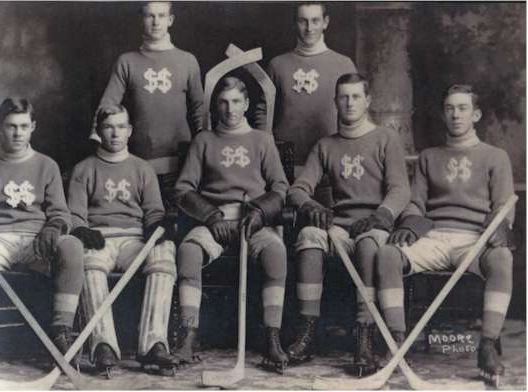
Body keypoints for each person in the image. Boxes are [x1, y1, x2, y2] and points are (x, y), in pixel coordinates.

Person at [375, 84, 515, 386]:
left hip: (474, 239)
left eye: (463, 108)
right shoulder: (429, 156)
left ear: (475, 114)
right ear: (443, 113)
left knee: (502, 258)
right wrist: (410, 223)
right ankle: (396, 340)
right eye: (450, 108)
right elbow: (416, 201)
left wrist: (500, 226)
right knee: (387, 253)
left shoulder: (495, 156)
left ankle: (488, 346)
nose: (456, 114)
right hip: (434, 238)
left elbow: (505, 205)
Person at [0, 97, 84, 370]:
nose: (17, 133)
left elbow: (60, 212)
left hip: (36, 240)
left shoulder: (48, 165)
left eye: (23, 126)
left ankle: (61, 333)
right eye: (11, 126)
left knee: (72, 246)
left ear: (33, 127)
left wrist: (53, 228)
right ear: (0, 127)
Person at [287, 73, 410, 375]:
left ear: (367, 100)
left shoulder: (385, 138)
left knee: (369, 243)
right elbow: (297, 188)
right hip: (340, 227)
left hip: (375, 224)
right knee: (309, 235)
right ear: (335, 102)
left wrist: (381, 215)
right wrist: (311, 204)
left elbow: (400, 189)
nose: (350, 103)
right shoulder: (326, 145)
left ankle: (364, 333)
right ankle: (308, 328)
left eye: (356, 96)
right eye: (344, 97)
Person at [173, 76, 290, 373]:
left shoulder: (262, 141)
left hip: (252, 221)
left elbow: (280, 188)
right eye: (223, 102)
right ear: (216, 105)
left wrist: (260, 213)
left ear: (247, 104)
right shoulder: (204, 141)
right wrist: (211, 216)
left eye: (237, 101)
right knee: (188, 251)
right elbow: (183, 190)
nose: (230, 109)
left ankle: (273, 339)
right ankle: (188, 336)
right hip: (215, 221)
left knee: (276, 252)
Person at [68, 104, 178, 376]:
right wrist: (83, 231)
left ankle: (153, 344)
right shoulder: (83, 169)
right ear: (99, 131)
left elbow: (155, 211)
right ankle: (103, 346)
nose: (115, 133)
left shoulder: (142, 169)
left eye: (120, 126)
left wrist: (157, 227)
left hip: (133, 242)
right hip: (99, 240)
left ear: (129, 131)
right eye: (108, 127)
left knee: (164, 252)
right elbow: (75, 215)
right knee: (88, 261)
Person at [92, 1, 203, 174]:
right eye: (150, 15)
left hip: (182, 160)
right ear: (142, 19)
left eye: (161, 16)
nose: (156, 22)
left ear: (171, 20)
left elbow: (199, 109)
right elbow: (108, 104)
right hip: (139, 159)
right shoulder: (126, 61)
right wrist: (98, 139)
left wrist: (205, 151)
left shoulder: (188, 60)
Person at [256, 2, 356, 166]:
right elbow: (263, 111)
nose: (309, 28)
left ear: (325, 22)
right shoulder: (277, 65)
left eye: (315, 21)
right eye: (303, 21)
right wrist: (268, 150)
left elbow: (355, 111)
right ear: (295, 23)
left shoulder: (344, 65)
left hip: (331, 161)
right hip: (284, 162)